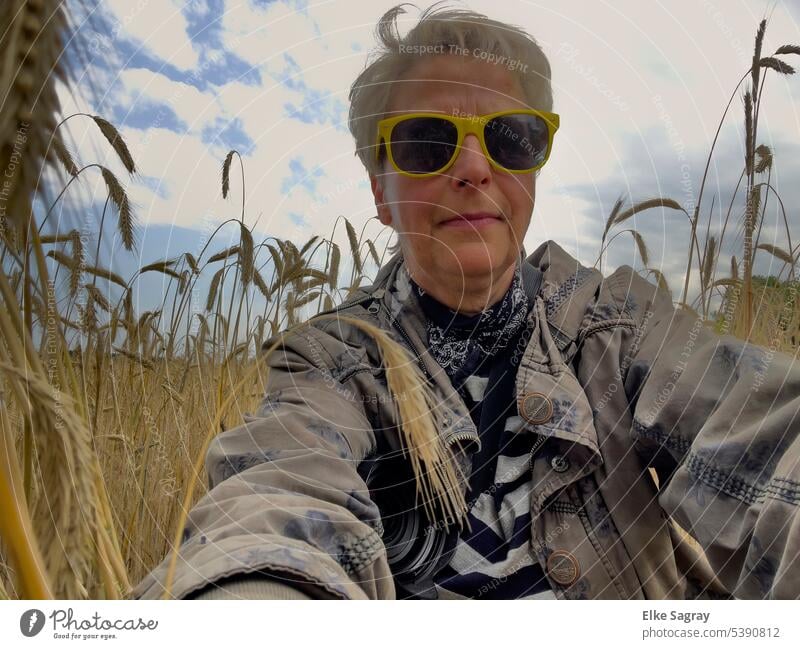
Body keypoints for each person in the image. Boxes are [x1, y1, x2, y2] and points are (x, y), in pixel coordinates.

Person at [133, 3, 800, 600]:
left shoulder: (615, 322)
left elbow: (759, 429)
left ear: (534, 166)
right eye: (427, 141)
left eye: (511, 137)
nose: (476, 168)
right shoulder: (334, 359)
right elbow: (280, 494)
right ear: (379, 193)